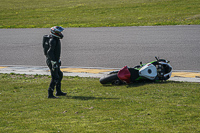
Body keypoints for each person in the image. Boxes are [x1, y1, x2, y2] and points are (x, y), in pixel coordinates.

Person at [46, 26, 67, 98]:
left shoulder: (57, 39)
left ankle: (58, 91)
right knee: (55, 77)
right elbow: (49, 52)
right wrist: (53, 62)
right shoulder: (53, 40)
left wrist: (58, 60)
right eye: (59, 32)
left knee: (59, 75)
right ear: (55, 33)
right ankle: (50, 94)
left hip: (55, 60)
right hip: (52, 61)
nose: (60, 34)